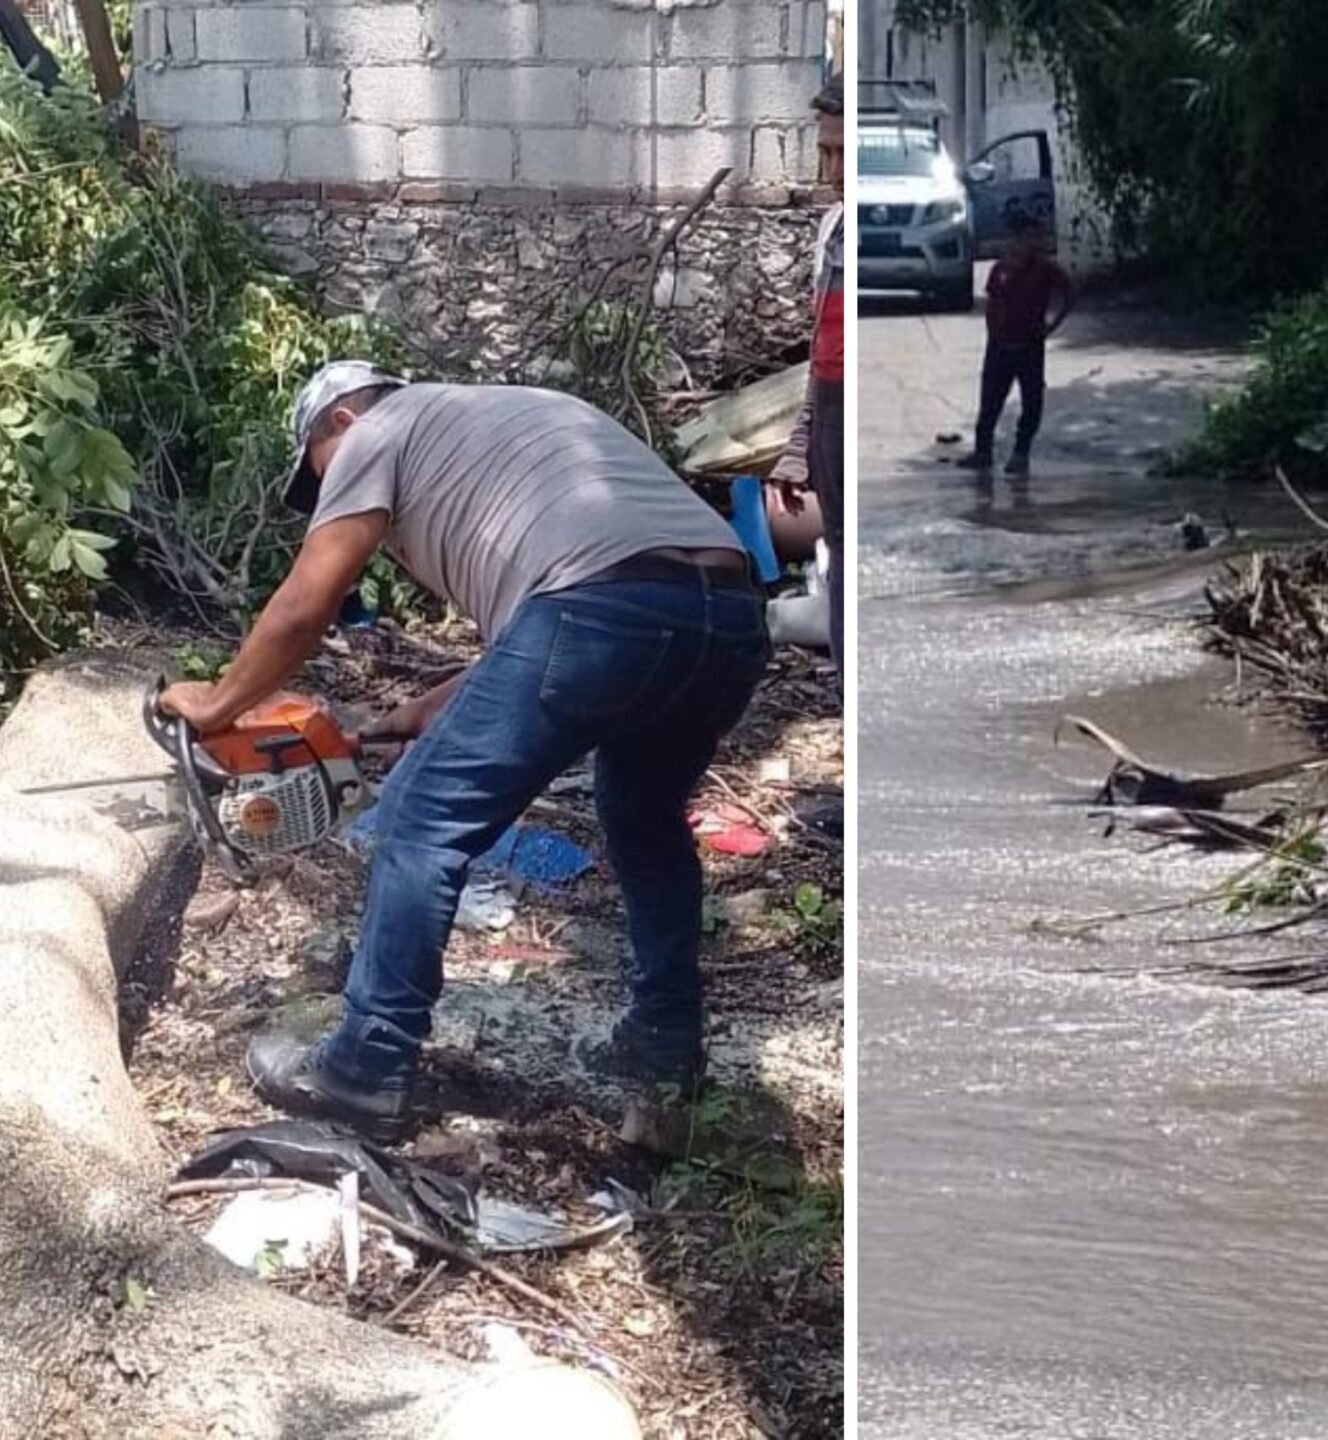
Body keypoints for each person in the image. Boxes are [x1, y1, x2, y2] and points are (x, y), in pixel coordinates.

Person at [156, 362, 771, 1137]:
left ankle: (365, 1068)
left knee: (420, 827)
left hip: (598, 610)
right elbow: (557, 634)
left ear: (339, 425)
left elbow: (306, 607)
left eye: (320, 477)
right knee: (645, 818)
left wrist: (216, 701)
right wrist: (412, 714)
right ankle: (666, 1050)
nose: (329, 496)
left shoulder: (375, 432)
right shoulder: (516, 416)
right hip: (729, 618)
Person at [768, 75, 846, 674]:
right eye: (825, 153)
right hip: (834, 414)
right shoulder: (833, 232)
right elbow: (822, 355)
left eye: (844, 154)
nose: (833, 172)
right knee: (841, 553)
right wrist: (799, 447)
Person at [961, 217, 1074, 475]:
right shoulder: (1000, 268)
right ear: (1017, 240)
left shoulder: (1046, 270)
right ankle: (982, 452)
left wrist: (1052, 326)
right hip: (999, 346)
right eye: (1028, 238)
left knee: (1031, 402)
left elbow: (1069, 292)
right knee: (990, 401)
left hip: (1030, 346)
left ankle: (1021, 453)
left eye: (1038, 238)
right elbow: (991, 303)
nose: (1034, 244)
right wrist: (993, 331)